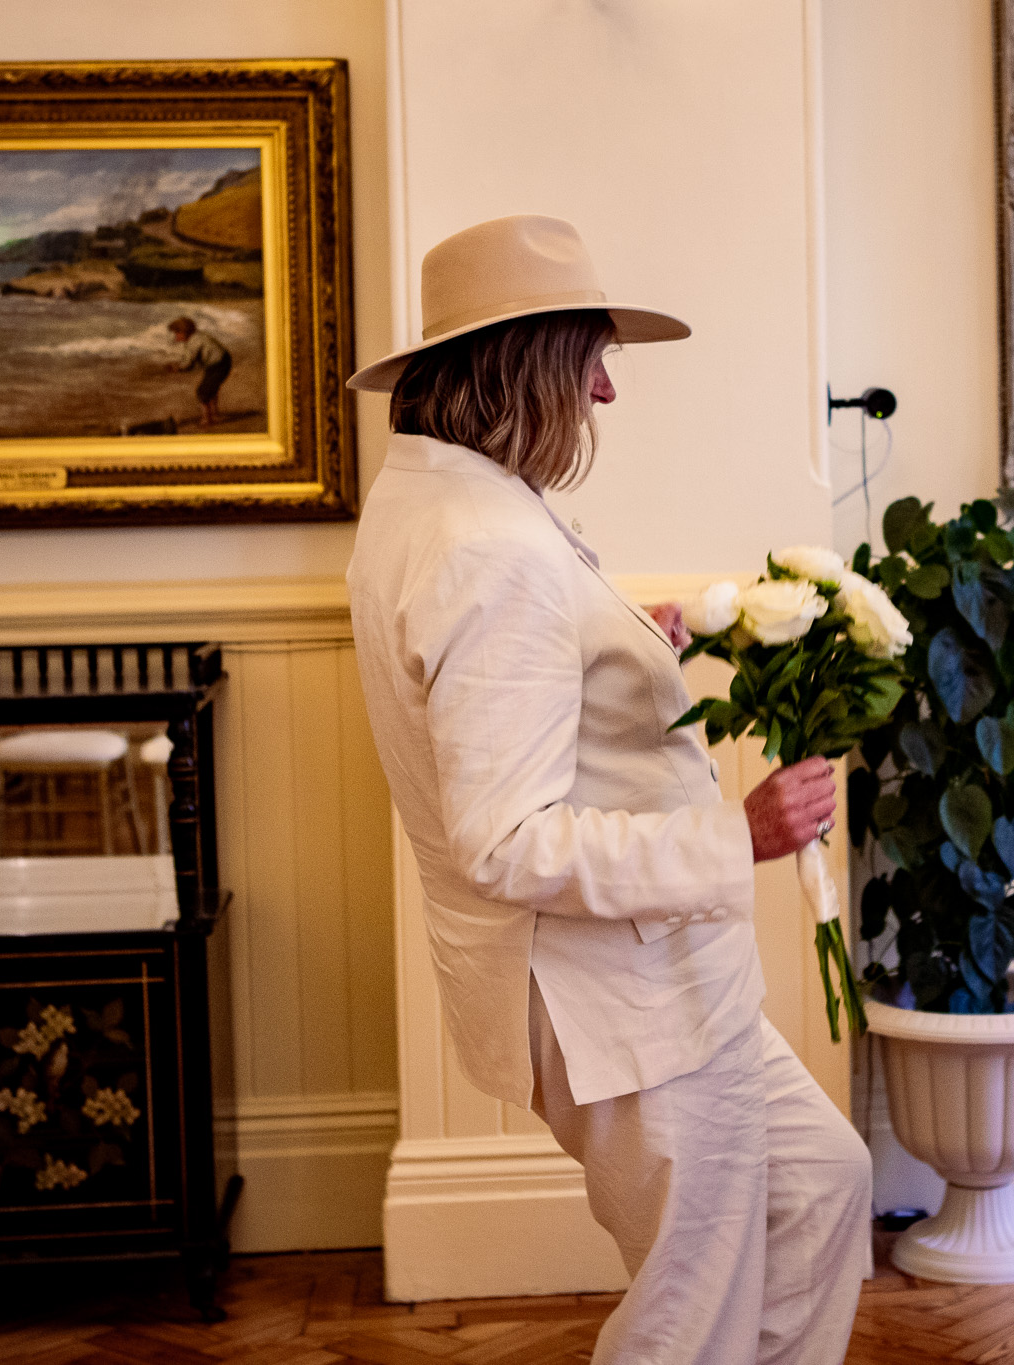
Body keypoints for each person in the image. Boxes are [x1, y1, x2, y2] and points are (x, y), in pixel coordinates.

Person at [344, 216, 873, 1364]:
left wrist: (632, 652)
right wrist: (738, 836)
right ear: (526, 359)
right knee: (698, 1302)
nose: (603, 391)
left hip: (640, 980)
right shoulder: (489, 548)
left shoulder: (438, 501)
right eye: (592, 355)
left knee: (822, 1188)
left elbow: (511, 690)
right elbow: (506, 836)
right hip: (617, 996)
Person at [167, 316, 230, 427]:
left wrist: (177, 368)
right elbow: (192, 360)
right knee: (212, 388)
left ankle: (207, 419)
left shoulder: (194, 342)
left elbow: (188, 364)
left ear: (185, 332)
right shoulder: (197, 337)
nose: (175, 336)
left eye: (177, 333)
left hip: (219, 364)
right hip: (221, 360)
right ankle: (215, 414)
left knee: (202, 392)